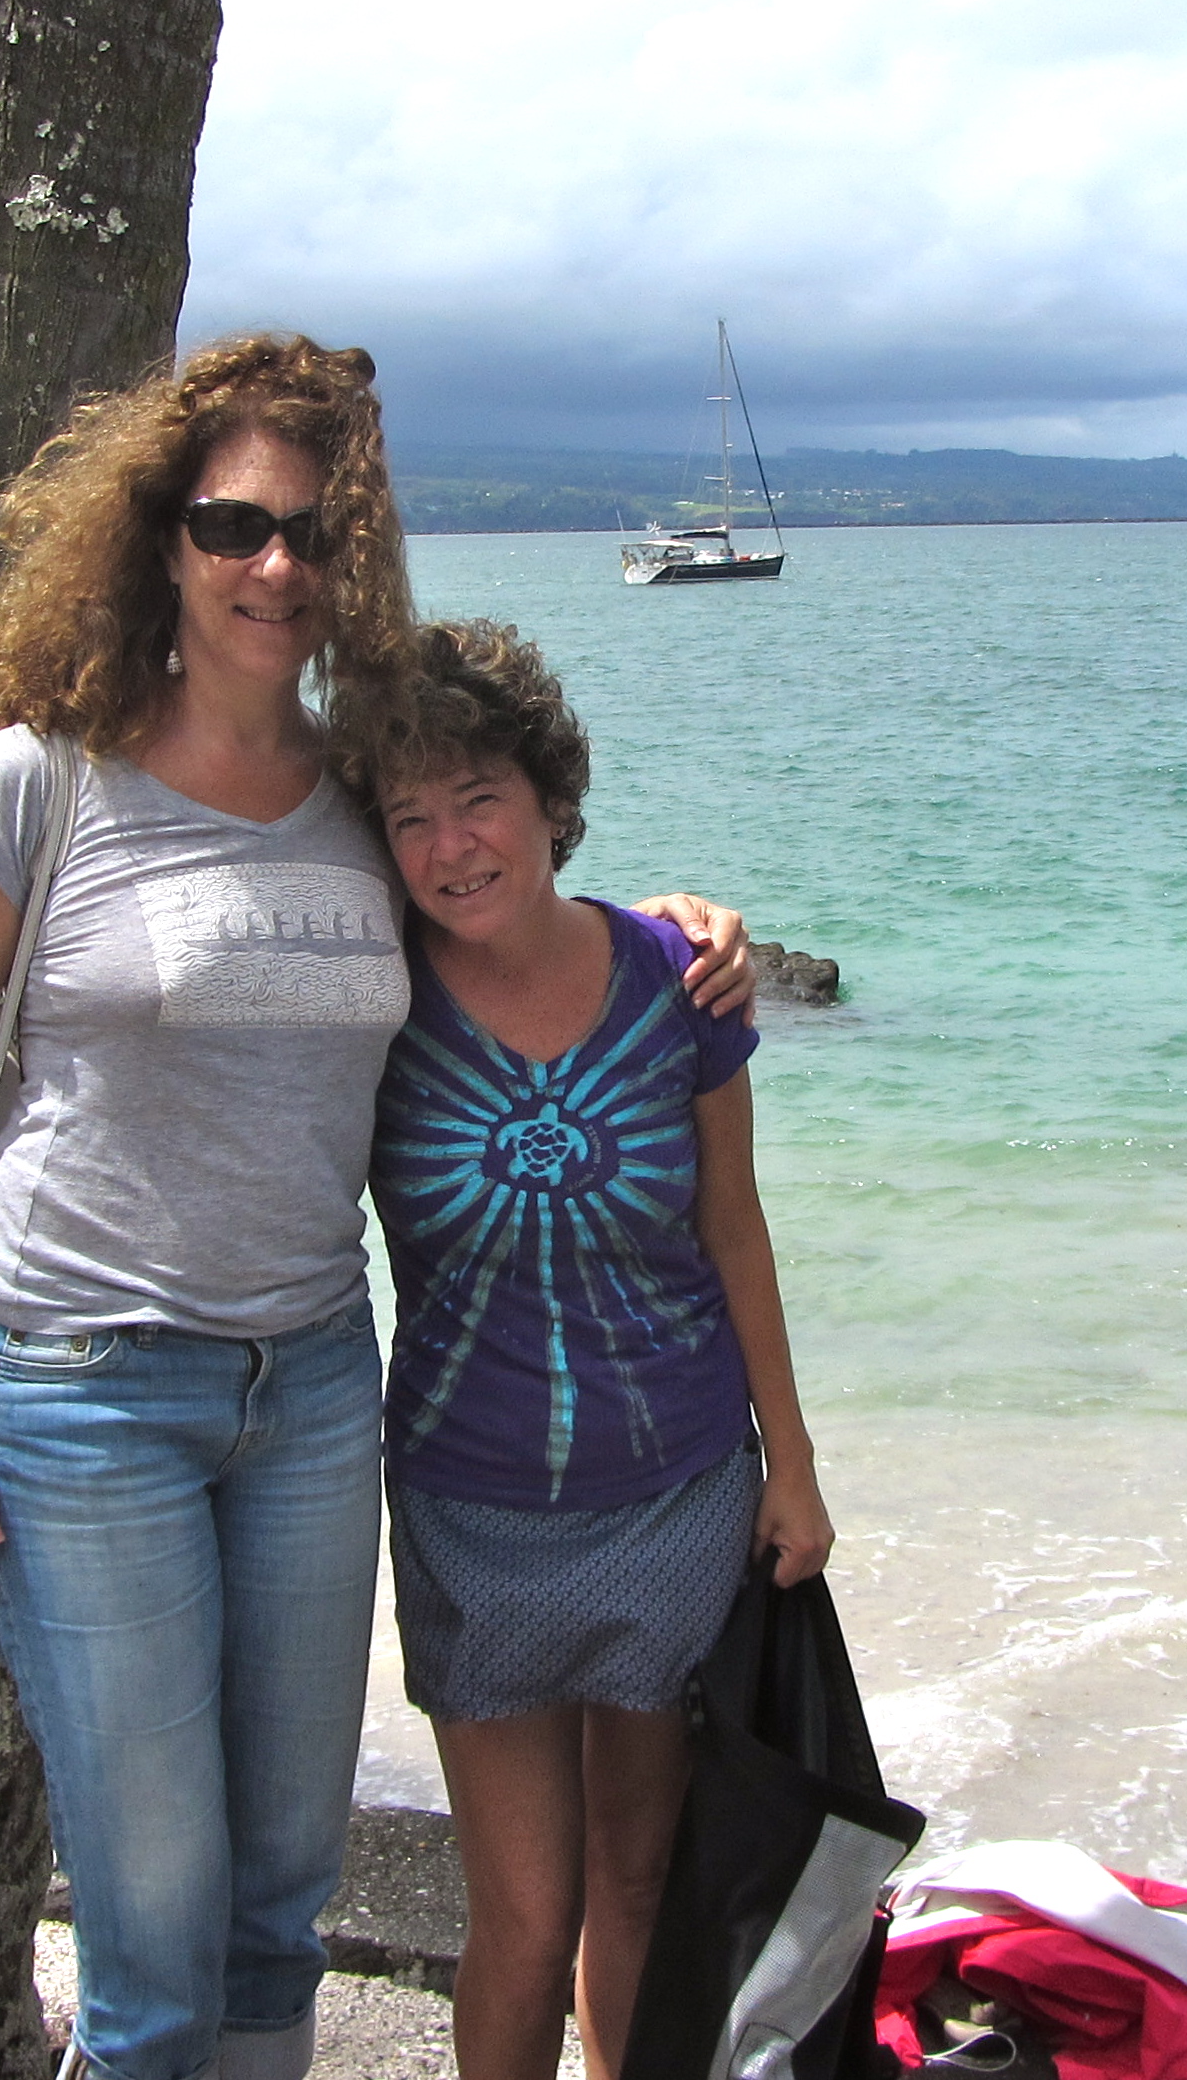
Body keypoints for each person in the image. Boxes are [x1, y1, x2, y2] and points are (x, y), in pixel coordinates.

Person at [0, 336, 748, 2080]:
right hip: (81, 1391)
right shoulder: (41, 778)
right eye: (234, 524)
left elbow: (500, 919)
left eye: (315, 534)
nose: (276, 564)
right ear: (162, 538)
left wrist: (676, 934)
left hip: (317, 1391)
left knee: (282, 1902)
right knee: (154, 1931)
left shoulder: (357, 795)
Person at [338, 618, 833, 2080]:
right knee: (522, 1915)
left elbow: (734, 1225)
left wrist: (792, 1465)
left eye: (478, 798)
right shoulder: (372, 1003)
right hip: (469, 1512)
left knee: (639, 1881)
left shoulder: (677, 980)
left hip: (680, 1498)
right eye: (409, 817)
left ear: (551, 799)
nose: (450, 846)